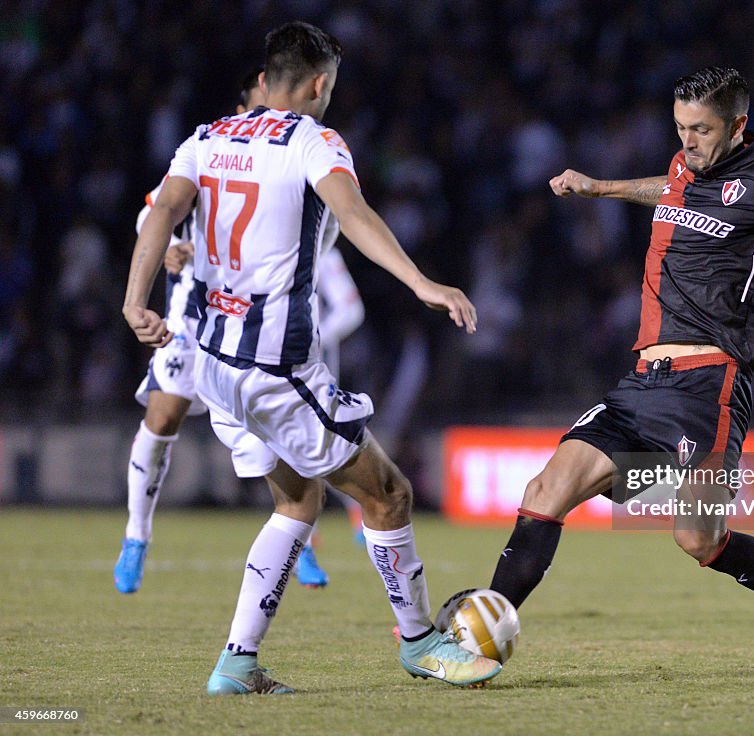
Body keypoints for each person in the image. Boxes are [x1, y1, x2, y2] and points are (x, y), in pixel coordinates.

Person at [123, 21, 500, 692]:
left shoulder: (205, 138)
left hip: (214, 359)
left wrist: (134, 300)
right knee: (388, 494)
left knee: (297, 500)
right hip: (274, 367)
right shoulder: (314, 141)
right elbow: (352, 215)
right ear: (321, 84)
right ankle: (420, 644)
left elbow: (159, 215)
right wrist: (422, 283)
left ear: (265, 80)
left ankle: (237, 664)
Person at [487, 67, 754, 686]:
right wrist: (599, 188)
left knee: (698, 539)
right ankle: (480, 638)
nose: (688, 142)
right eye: (681, 128)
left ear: (739, 126)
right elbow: (666, 188)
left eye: (702, 130)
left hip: (709, 384)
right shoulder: (684, 168)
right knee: (543, 493)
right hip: (641, 381)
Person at [114, 67, 365, 594]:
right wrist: (169, 249)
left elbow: (332, 234)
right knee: (163, 416)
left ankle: (302, 546)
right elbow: (155, 211)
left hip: (259, 332)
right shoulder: (212, 145)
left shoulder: (295, 159)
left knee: (288, 447)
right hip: (193, 318)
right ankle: (136, 535)